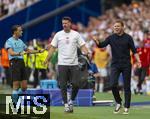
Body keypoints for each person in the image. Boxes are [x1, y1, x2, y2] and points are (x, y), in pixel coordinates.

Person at [92, 20, 141, 114]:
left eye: (118, 26)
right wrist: (96, 41)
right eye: (115, 26)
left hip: (126, 64)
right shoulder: (111, 37)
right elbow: (101, 45)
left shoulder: (128, 38)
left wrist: (138, 60)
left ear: (123, 27)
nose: (116, 28)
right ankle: (118, 102)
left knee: (126, 86)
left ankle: (126, 106)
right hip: (115, 64)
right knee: (112, 84)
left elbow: (134, 50)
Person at [44, 16, 89, 113]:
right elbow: (52, 48)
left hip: (74, 64)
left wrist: (86, 51)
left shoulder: (76, 34)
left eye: (66, 23)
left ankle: (71, 101)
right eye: (63, 23)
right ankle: (66, 105)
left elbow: (82, 46)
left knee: (76, 84)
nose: (64, 25)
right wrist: (47, 59)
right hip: (62, 64)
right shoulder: (58, 35)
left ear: (70, 24)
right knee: (63, 85)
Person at [5, 25, 43, 109]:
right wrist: (19, 53)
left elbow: (28, 50)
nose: (22, 32)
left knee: (24, 87)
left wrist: (39, 51)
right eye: (20, 30)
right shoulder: (9, 41)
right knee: (16, 85)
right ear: (15, 32)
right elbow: (10, 53)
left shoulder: (21, 41)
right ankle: (14, 105)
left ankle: (15, 98)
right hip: (14, 62)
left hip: (22, 63)